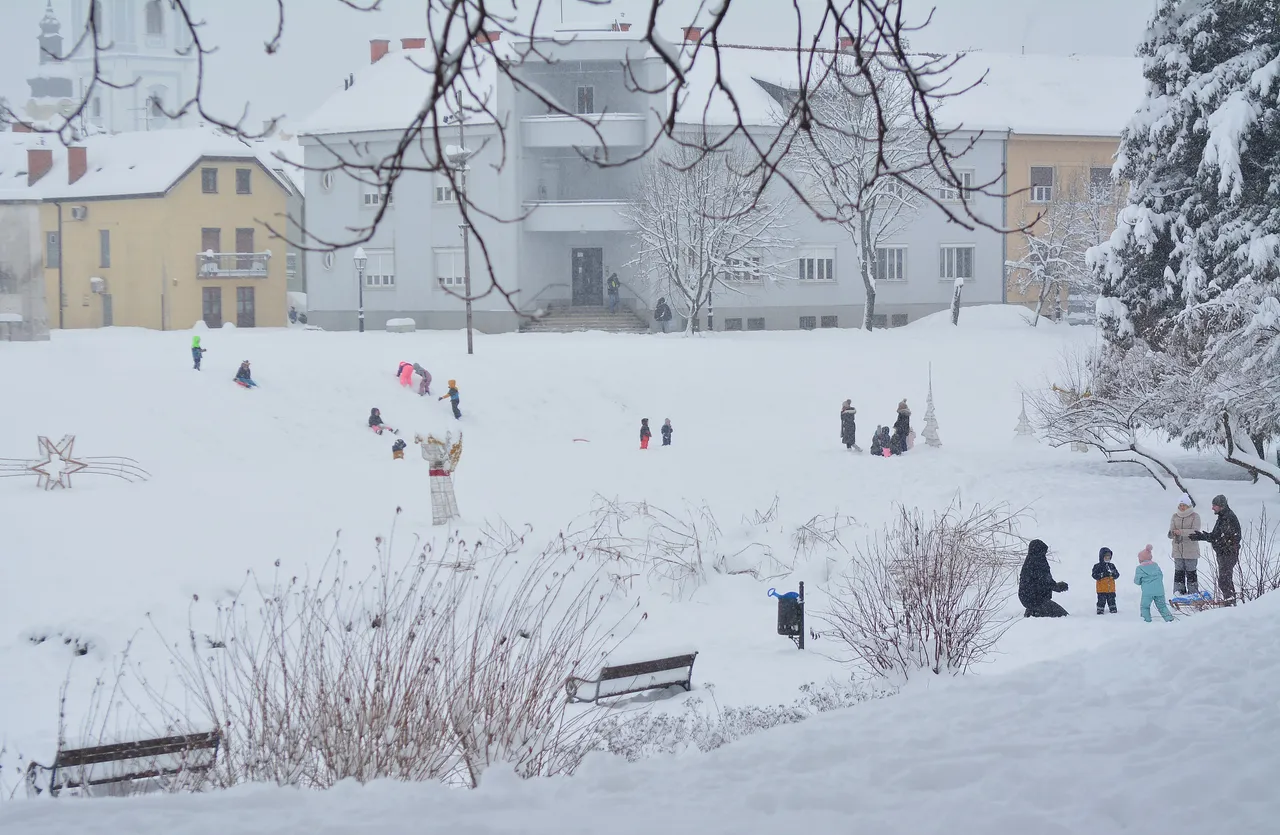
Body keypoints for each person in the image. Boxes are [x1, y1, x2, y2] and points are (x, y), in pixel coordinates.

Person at [1189, 494, 1241, 604]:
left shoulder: (1228, 518)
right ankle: (1230, 601)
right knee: (1225, 580)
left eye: (1214, 505)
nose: (1212, 508)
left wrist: (1204, 537)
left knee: (1224, 580)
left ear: (1221, 506)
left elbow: (1219, 537)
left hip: (1228, 553)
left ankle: (1230, 603)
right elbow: (1217, 536)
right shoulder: (1223, 516)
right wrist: (1203, 536)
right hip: (1224, 553)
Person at [1018, 539, 1069, 617]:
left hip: (1025, 598)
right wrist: (1059, 587)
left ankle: (1033, 611)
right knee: (1063, 615)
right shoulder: (1039, 562)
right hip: (1037, 599)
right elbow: (1046, 581)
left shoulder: (1029, 561)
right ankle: (1035, 612)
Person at [1168, 495, 1202, 594]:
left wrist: (1181, 532)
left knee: (1191, 573)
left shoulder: (1195, 516)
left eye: (1184, 505)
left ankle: (1193, 592)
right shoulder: (1175, 516)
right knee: (1179, 573)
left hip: (1191, 550)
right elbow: (1171, 530)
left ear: (1189, 506)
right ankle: (1179, 592)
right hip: (1177, 549)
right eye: (1180, 505)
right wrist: (1172, 533)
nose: (1182, 507)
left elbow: (1195, 531)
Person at [1134, 544, 1175, 623]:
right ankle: (1169, 619)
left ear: (1141, 559)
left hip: (1147, 592)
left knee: (1145, 607)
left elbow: (1137, 581)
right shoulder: (1156, 565)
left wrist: (1141, 582)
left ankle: (1146, 621)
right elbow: (1161, 575)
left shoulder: (1139, 568)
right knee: (1162, 606)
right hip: (1159, 590)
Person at [1091, 547, 1120, 615]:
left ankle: (1113, 610)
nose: (1107, 558)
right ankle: (1100, 611)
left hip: (1111, 589)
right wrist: (1102, 575)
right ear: (1101, 556)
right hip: (1101, 589)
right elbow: (1094, 575)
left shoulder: (1112, 566)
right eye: (1106, 556)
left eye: (1109, 556)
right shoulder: (1097, 566)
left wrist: (1113, 574)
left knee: (1112, 601)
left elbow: (1117, 575)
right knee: (1101, 601)